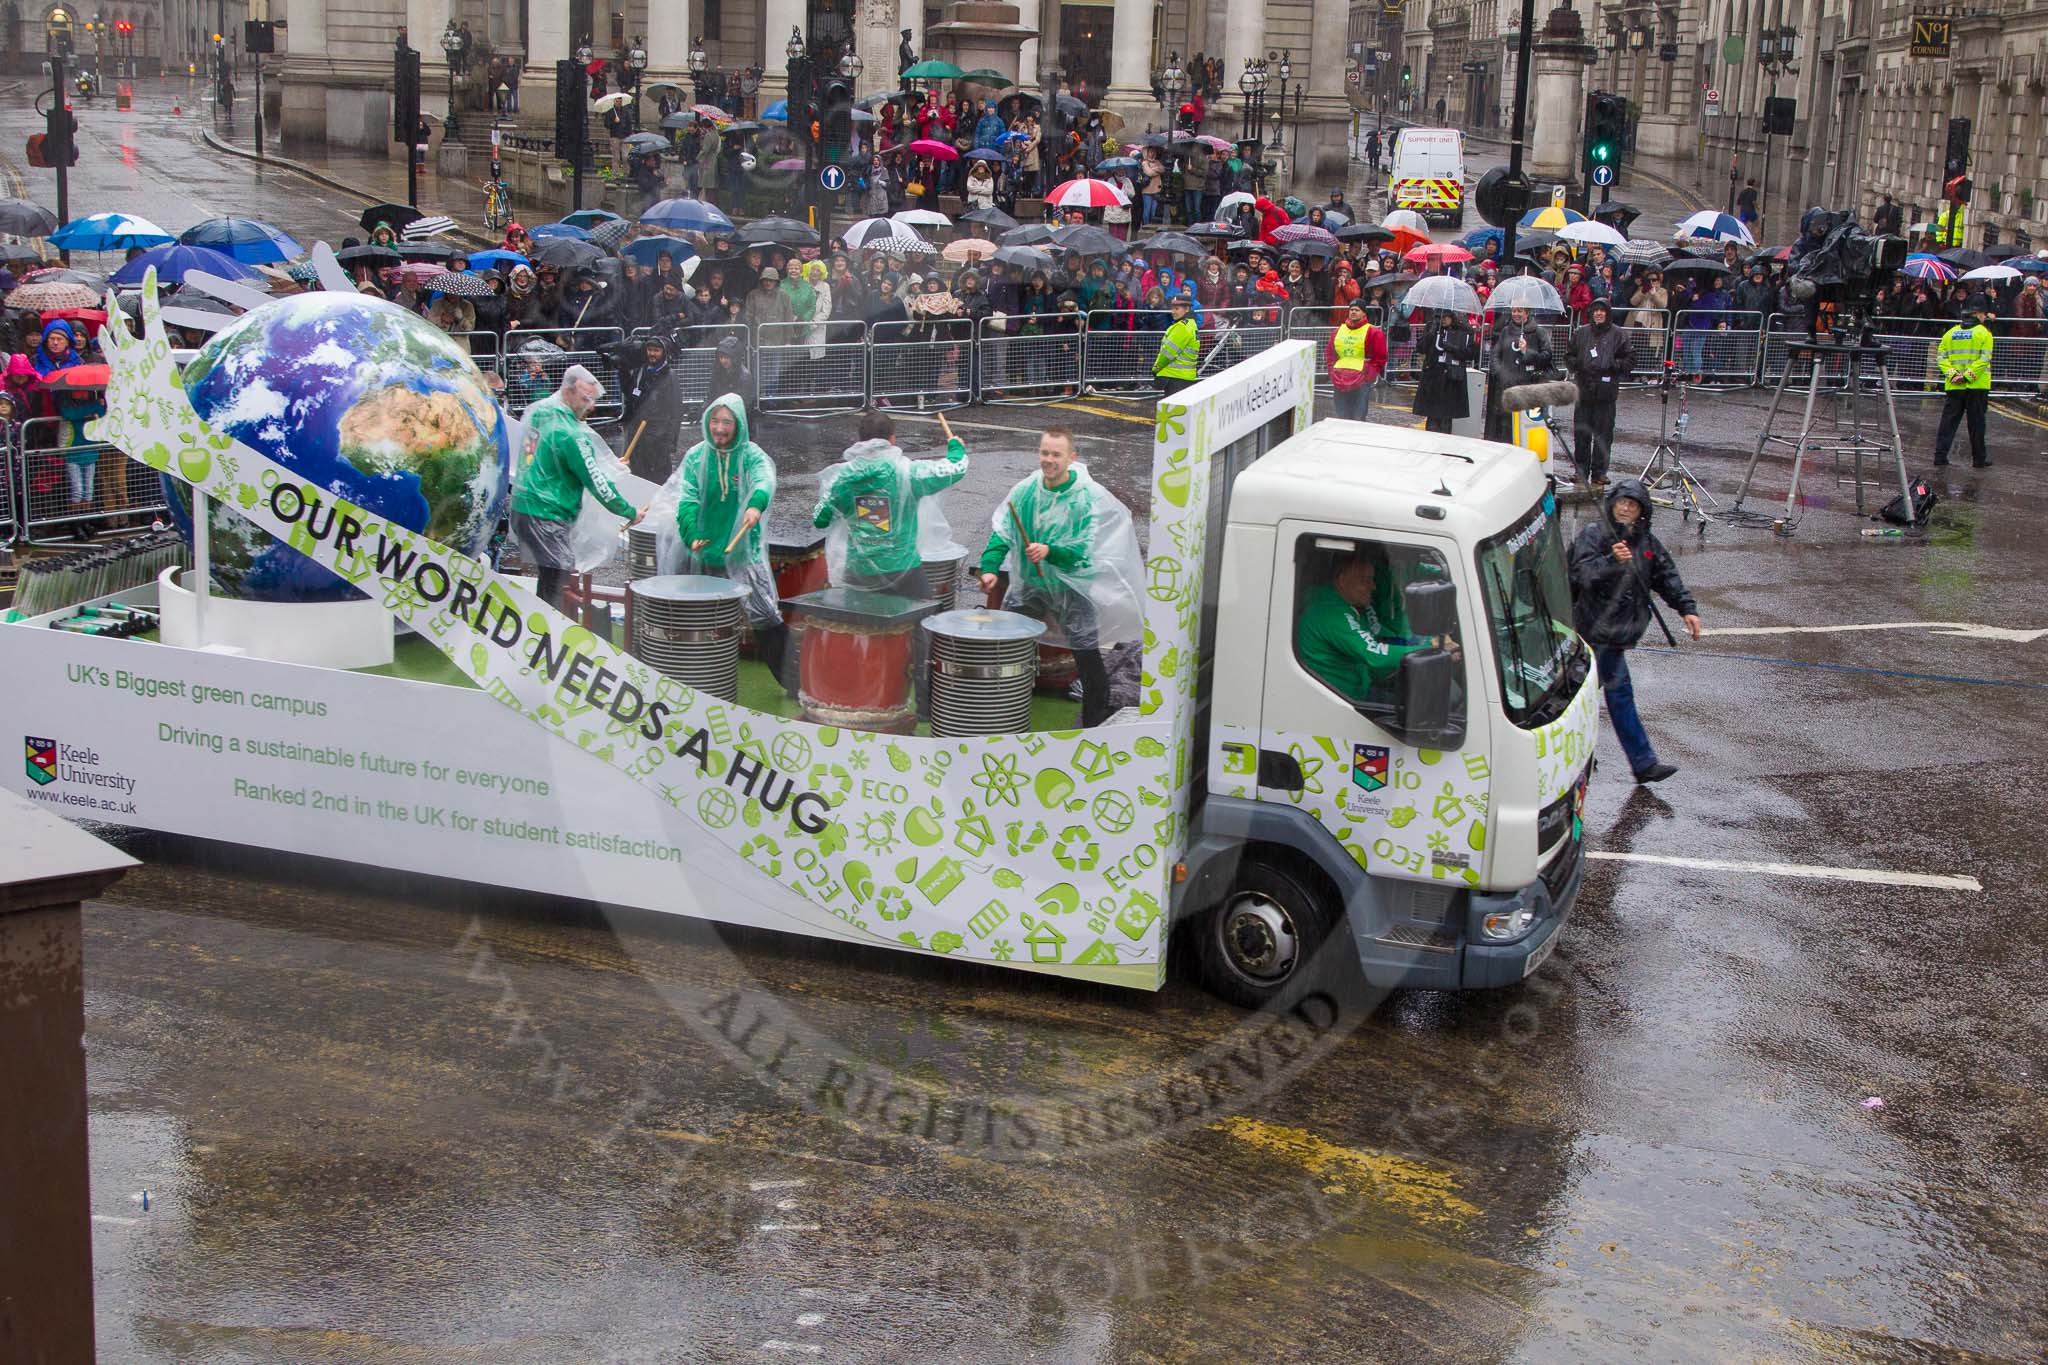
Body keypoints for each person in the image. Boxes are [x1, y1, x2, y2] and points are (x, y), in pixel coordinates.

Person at [978, 428, 1127, 726]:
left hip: (1071, 585)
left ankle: (1094, 722)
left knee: (1086, 653)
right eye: (1044, 452)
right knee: (1006, 646)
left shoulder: (1085, 498)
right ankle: (996, 712)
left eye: (1056, 454)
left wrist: (1050, 551)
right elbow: (1002, 533)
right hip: (1030, 585)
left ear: (1072, 457)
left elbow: (1085, 552)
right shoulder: (1025, 490)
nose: (1048, 460)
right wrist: (989, 568)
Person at [1569, 478, 1702, 784]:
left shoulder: (1647, 543)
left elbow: (1667, 577)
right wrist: (1611, 562)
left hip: (1618, 636)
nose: (1626, 508)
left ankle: (1627, 762)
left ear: (1642, 510)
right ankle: (1639, 762)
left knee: (1585, 699)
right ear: (1612, 504)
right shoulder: (1594, 535)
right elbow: (1580, 575)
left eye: (1632, 504)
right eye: (1621, 502)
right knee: (1606, 698)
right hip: (1595, 635)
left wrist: (1687, 609)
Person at [672, 393, 792, 683]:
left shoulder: (751, 455)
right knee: (698, 619)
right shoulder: (696, 456)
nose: (720, 428)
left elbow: (765, 480)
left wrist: (755, 504)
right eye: (715, 421)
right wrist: (691, 534)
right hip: (704, 550)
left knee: (765, 616)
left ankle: (794, 682)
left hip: (742, 551)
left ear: (738, 425)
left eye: (727, 422)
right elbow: (686, 499)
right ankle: (695, 683)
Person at [509, 367, 639, 614]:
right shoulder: (572, 434)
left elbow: (534, 457)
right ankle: (554, 637)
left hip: (524, 506)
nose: (591, 407)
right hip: (547, 515)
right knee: (561, 579)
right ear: (568, 392)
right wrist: (629, 511)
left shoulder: (539, 413)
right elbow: (596, 481)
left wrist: (607, 467)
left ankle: (542, 629)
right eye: (585, 400)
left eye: (593, 400)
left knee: (550, 577)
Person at [1296, 549, 1445, 704]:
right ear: (1341, 580)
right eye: (1365, 580)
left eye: (1372, 580)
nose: (1373, 586)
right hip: (1342, 698)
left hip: (1355, 690)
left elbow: (1377, 640)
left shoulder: (1344, 606)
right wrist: (1429, 648)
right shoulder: (1330, 614)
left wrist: (1424, 646)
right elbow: (1375, 655)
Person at [1566, 296, 1634, 486]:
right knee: (1581, 435)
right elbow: (1569, 354)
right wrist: (1577, 364)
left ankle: (1599, 472)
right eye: (1595, 310)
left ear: (1608, 313)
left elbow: (1630, 360)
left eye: (1602, 310)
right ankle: (1580, 471)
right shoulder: (1581, 333)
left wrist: (1612, 365)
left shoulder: (1619, 334)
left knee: (1603, 435)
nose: (1599, 313)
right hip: (1584, 391)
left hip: (1606, 392)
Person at [1932, 295, 1995, 468]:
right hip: (1976, 386)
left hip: (1954, 385)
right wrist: (1967, 376)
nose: (1985, 317)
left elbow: (1941, 357)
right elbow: (1984, 359)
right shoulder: (1984, 333)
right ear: (1978, 314)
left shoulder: (1950, 333)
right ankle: (1979, 459)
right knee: (1976, 425)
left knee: (1948, 423)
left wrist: (1953, 375)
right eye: (1983, 314)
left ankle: (1940, 456)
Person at [1485, 304, 1555, 443]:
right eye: (1514, 311)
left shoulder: (1539, 332)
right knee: (1506, 425)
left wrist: (1527, 352)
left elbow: (1547, 356)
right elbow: (1495, 354)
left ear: (1527, 312)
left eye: (1520, 311)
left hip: (1528, 385)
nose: (1516, 314)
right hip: (1507, 385)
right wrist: (1500, 372)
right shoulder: (1505, 331)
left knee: (1525, 425)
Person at [622, 335, 685, 481]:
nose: (652, 354)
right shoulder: (640, 371)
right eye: (649, 350)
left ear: (664, 352)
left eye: (656, 350)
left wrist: (672, 441)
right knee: (638, 479)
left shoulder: (670, 376)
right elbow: (631, 394)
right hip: (638, 438)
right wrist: (622, 372)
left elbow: (676, 411)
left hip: (658, 439)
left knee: (658, 480)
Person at [1413, 309, 1477, 434]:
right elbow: (1421, 348)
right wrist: (1431, 334)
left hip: (1452, 378)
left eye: (1446, 317)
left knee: (1447, 417)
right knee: (1432, 415)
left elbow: (1471, 353)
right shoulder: (1432, 327)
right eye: (1440, 317)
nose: (1443, 320)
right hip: (1433, 376)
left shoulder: (1464, 330)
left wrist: (1454, 349)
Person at [1326, 298, 1388, 420]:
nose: (1353, 312)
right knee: (1341, 416)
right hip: (1340, 378)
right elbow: (1330, 353)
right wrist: (1332, 372)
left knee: (1358, 417)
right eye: (1351, 309)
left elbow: (1380, 357)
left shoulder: (1373, 332)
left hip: (1361, 380)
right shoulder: (1338, 331)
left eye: (1357, 310)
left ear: (1364, 313)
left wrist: (1369, 376)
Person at [1153, 292, 1200, 395]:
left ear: (1187, 309)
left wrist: (1156, 368)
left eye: (1177, 308)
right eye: (1172, 308)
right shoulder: (1191, 324)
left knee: (1171, 410)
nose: (1173, 312)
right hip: (1185, 377)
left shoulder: (1181, 327)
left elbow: (1168, 353)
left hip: (1175, 378)